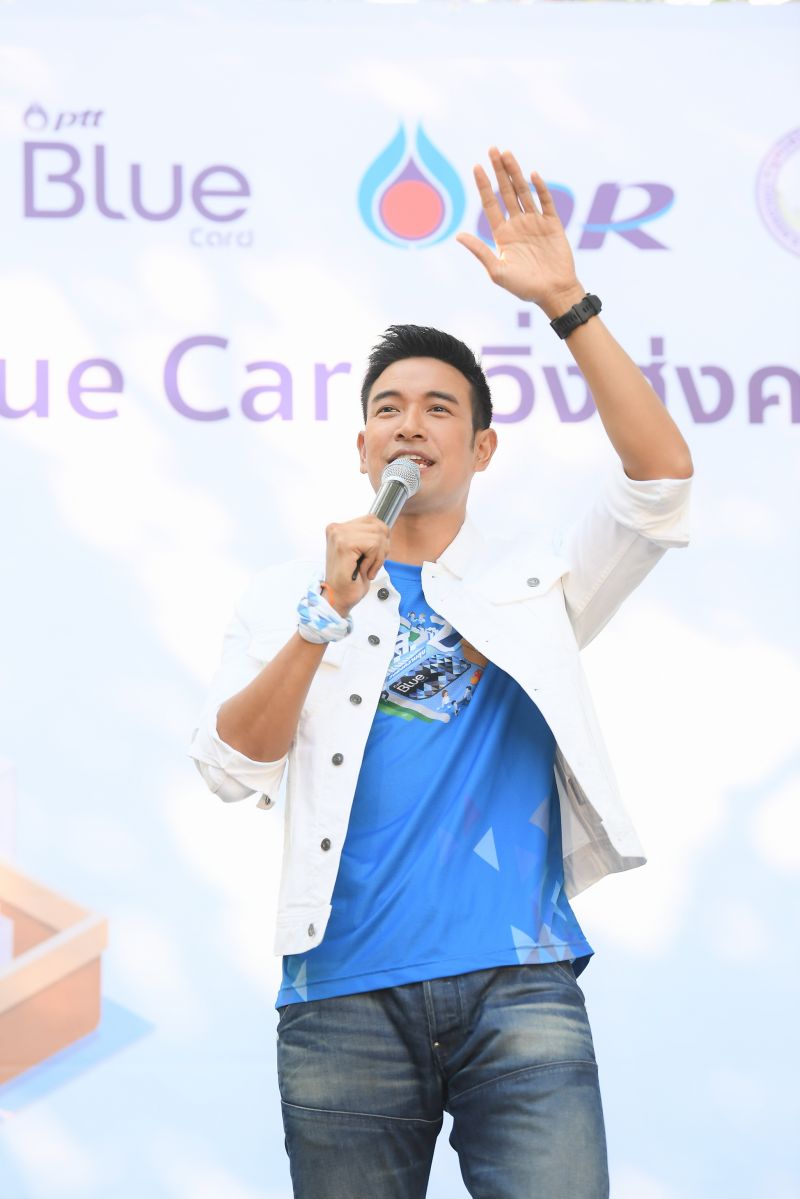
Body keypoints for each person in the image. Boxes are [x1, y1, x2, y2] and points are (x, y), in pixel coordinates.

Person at [188, 146, 693, 1199]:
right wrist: (322, 615)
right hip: (342, 993)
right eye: (388, 407)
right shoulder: (289, 593)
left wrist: (566, 306)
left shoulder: (533, 580)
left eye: (437, 407)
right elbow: (232, 764)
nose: (409, 423)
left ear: (481, 448)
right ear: (361, 446)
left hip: (520, 981)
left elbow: (658, 480)